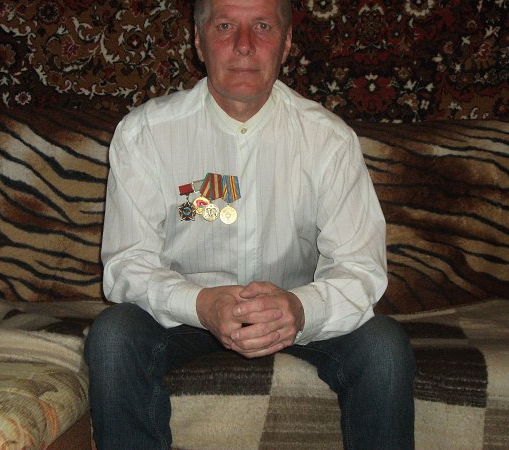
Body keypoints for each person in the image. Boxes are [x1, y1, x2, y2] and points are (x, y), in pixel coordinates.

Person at [84, 0, 415, 448]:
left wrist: (299, 309)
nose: (244, 45)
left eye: (262, 26)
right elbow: (126, 264)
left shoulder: (329, 140)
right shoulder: (144, 134)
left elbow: (361, 268)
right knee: (112, 336)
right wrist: (202, 304)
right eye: (225, 26)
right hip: (184, 314)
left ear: (287, 43)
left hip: (294, 311)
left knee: (384, 346)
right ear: (198, 42)